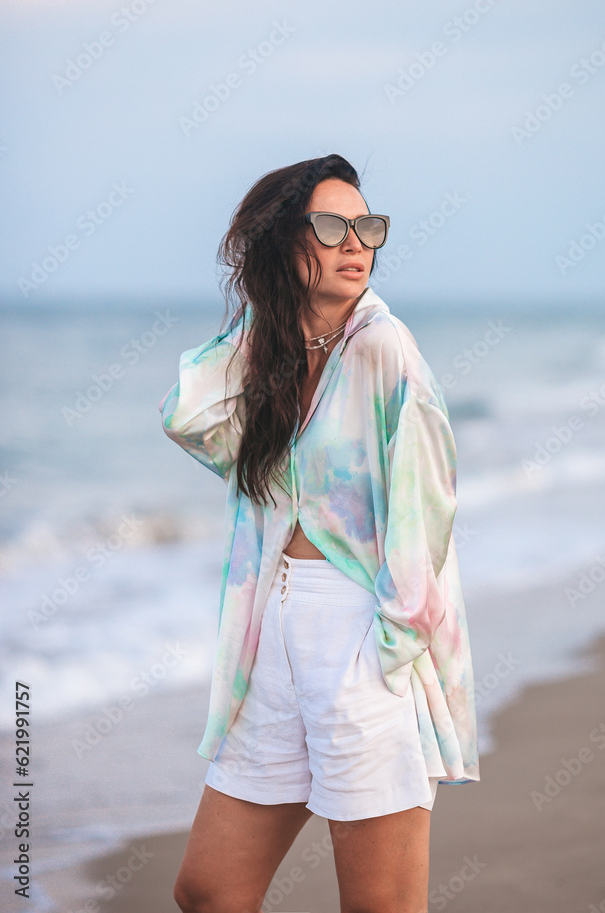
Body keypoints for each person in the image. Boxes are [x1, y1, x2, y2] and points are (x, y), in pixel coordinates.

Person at [160, 153, 479, 913]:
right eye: (331, 226)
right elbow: (189, 417)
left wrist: (392, 648)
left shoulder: (383, 348)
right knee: (208, 891)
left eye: (367, 227)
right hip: (270, 636)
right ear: (283, 242)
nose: (355, 244)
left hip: (361, 639)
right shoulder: (277, 352)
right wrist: (274, 318)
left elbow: (427, 506)